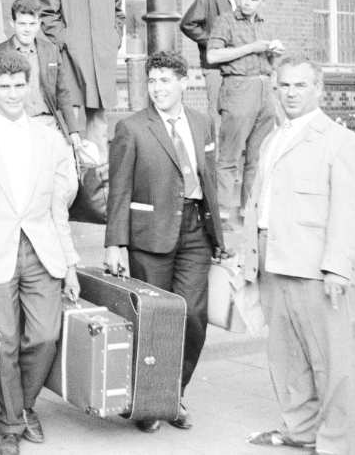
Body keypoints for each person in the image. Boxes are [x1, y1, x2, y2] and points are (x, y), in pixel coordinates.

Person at [0, 51, 80, 455]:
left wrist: (71, 264)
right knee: (4, 338)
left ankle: (22, 404)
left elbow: (59, 206)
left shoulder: (49, 138)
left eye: (19, 85)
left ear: (29, 86)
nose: (11, 93)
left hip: (42, 250)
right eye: (3, 86)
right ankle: (10, 424)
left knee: (44, 335)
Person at [240, 55, 355, 455]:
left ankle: (333, 442)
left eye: (300, 85)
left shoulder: (340, 141)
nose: (291, 93)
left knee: (329, 360)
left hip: (314, 267)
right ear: (275, 89)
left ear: (318, 90)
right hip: (272, 260)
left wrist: (337, 268)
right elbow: (259, 201)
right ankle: (300, 430)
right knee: (287, 356)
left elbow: (349, 210)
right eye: (284, 85)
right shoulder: (272, 139)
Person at [105, 50, 226, 433]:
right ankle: (148, 404)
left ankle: (174, 394)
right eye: (152, 81)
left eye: (165, 81)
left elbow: (209, 181)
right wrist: (115, 243)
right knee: (154, 321)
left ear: (184, 82)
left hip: (195, 232)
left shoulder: (203, 123)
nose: (157, 88)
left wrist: (220, 235)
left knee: (192, 316)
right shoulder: (132, 127)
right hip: (149, 234)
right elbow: (119, 190)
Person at [38, 0, 125, 159]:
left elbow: (119, 13)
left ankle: (99, 186)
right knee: (72, 121)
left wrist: (113, 40)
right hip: (71, 61)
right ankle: (73, 183)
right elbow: (47, 14)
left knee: (99, 125)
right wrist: (68, 41)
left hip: (101, 62)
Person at [206, 0, 282, 228]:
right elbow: (213, 55)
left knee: (258, 157)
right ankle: (223, 214)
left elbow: (269, 64)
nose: (248, 3)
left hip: (264, 88)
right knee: (228, 155)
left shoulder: (264, 24)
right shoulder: (225, 21)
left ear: (262, 2)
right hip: (238, 88)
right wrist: (251, 47)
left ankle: (251, 210)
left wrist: (273, 55)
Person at [0, 0, 83, 143]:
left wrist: (73, 130)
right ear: (12, 23)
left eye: (32, 24)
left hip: (47, 122)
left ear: (39, 24)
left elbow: (62, 91)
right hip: (12, 124)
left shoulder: (50, 50)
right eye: (22, 24)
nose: (27, 29)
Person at [179, 0, 246, 134]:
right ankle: (214, 157)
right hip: (216, 67)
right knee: (217, 112)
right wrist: (213, 43)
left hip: (238, 66)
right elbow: (187, 24)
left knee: (237, 112)